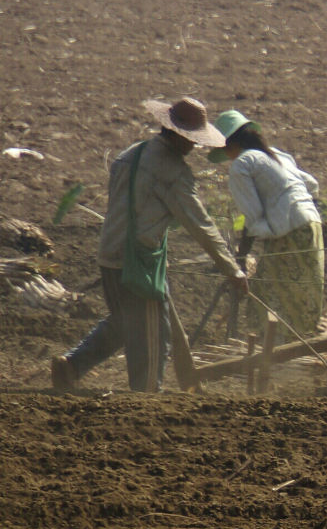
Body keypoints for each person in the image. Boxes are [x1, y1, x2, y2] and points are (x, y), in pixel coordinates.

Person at [51, 97, 248, 392]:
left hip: (109, 255)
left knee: (125, 322)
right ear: (182, 137)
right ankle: (145, 401)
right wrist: (232, 270)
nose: (195, 147)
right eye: (193, 141)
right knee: (155, 338)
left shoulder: (130, 154)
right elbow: (201, 224)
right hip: (139, 262)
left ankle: (72, 365)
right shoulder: (173, 172)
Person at [207, 109, 324, 344]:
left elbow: (253, 217)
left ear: (229, 144)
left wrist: (241, 257)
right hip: (311, 225)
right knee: (301, 295)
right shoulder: (276, 155)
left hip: (289, 232)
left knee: (268, 297)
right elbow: (311, 185)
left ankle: (274, 356)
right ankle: (291, 348)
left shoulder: (241, 165)